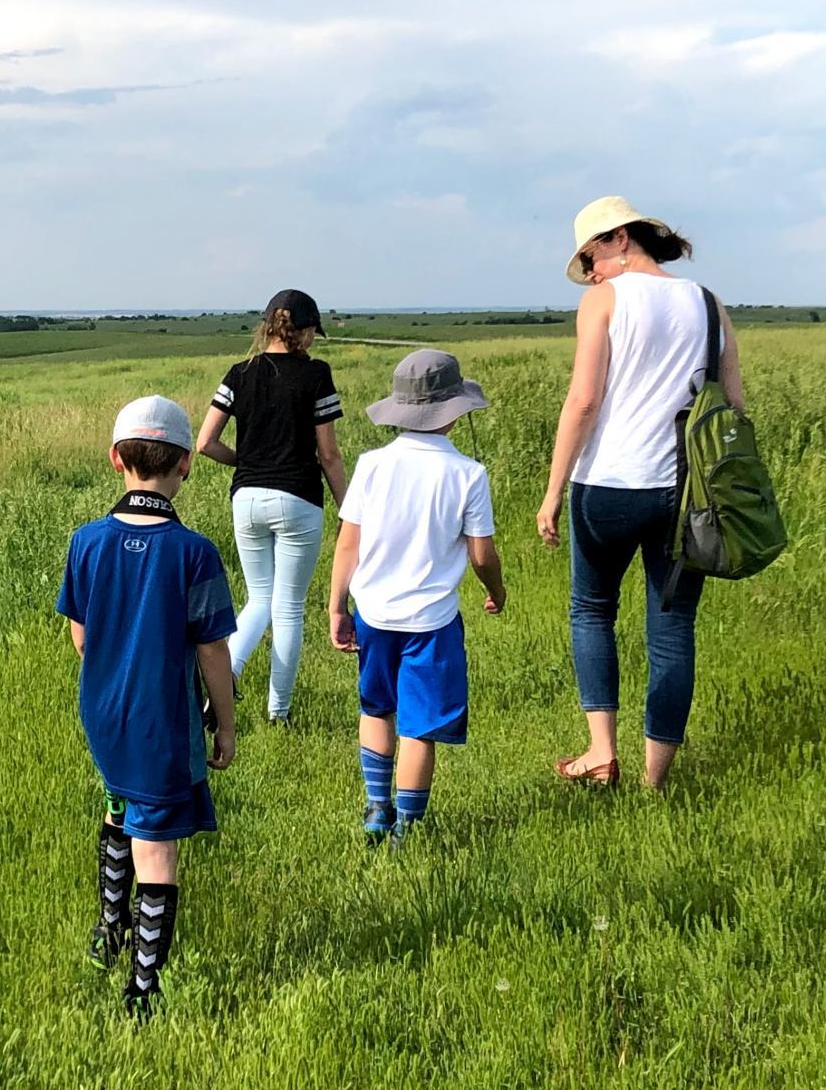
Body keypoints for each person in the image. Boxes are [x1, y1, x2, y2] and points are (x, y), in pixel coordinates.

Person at [535, 196, 744, 791]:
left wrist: (552, 493)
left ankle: (601, 752)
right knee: (673, 627)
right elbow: (733, 404)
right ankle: (656, 782)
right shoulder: (707, 302)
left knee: (591, 609)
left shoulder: (603, 301)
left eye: (590, 255)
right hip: (686, 494)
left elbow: (583, 401)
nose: (589, 270)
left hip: (608, 484)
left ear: (620, 237)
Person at [56, 395, 238, 1018]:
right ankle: (144, 989)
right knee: (156, 844)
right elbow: (213, 652)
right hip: (164, 723)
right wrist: (228, 725)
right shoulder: (195, 553)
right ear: (186, 464)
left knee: (117, 805)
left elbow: (81, 638)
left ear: (116, 460)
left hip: (104, 718)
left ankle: (108, 934)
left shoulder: (86, 542)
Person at [326, 350, 505, 842]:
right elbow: (482, 554)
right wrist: (496, 591)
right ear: (453, 411)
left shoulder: (372, 465)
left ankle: (377, 808)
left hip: (374, 613)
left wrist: (337, 606)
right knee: (420, 726)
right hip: (432, 620)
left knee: (376, 708)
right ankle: (408, 828)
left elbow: (348, 542)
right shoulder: (469, 474)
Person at [196, 290, 349, 727]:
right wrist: (347, 510)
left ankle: (222, 683)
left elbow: (205, 442)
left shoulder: (239, 373)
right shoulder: (316, 374)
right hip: (299, 498)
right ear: (302, 333)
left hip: (246, 498)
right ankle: (278, 712)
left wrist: (246, 462)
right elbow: (330, 455)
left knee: (259, 597)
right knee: (288, 607)